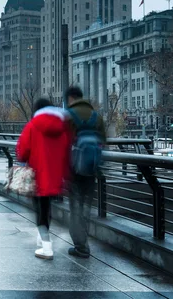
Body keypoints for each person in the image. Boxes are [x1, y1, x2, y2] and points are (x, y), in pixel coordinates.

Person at [16, 98, 71, 260]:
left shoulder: (33, 125)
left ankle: (46, 247)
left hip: (37, 173)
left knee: (39, 209)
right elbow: (67, 151)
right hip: (55, 176)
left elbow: (22, 151)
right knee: (46, 207)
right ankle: (43, 237)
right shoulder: (62, 128)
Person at [65, 86, 106, 259]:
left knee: (75, 207)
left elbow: (62, 142)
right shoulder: (96, 116)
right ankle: (84, 241)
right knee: (86, 207)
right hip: (91, 168)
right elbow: (103, 141)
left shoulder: (68, 116)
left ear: (70, 98)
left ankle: (81, 246)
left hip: (74, 168)